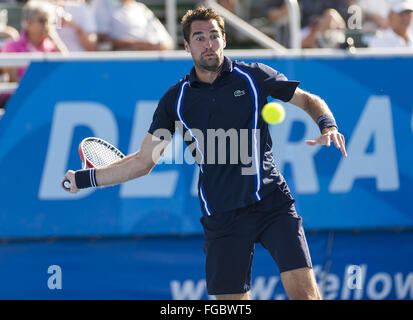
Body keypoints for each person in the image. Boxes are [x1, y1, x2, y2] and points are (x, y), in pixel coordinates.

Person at [61, 7, 347, 300]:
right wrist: (84, 179)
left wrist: (327, 125)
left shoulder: (254, 77)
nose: (208, 43)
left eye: (213, 36)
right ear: (187, 46)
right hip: (222, 215)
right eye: (199, 37)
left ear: (224, 39)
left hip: (272, 203)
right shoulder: (176, 99)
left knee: (305, 295)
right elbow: (143, 162)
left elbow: (309, 100)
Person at [1, 0, 68, 109]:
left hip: (47, 98)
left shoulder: (52, 46)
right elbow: (15, 79)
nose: (47, 26)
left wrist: (55, 39)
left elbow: (66, 65)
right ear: (28, 23)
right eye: (42, 21)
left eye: (49, 21)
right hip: (18, 100)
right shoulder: (12, 46)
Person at [90, 0, 174, 51]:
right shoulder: (102, 4)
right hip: (122, 64)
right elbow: (102, 39)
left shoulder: (141, 8)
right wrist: (138, 45)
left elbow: (168, 43)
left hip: (151, 62)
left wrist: (154, 47)